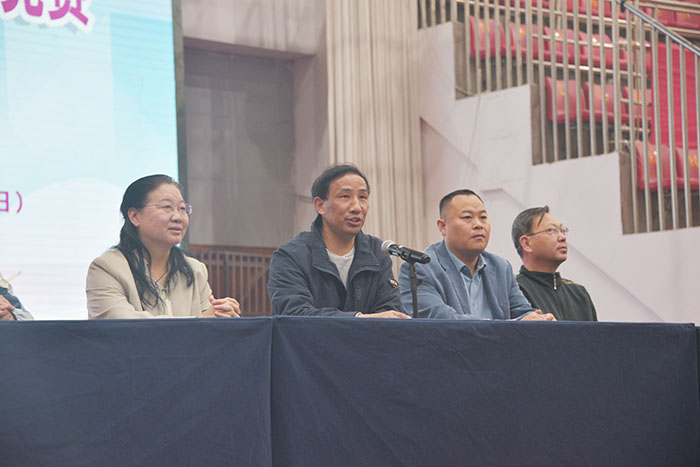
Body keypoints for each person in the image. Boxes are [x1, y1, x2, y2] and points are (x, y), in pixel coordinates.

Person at [86, 174, 241, 319]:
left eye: (182, 208)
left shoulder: (194, 270)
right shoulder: (106, 269)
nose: (178, 217)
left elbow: (209, 326)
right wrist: (201, 322)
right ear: (134, 216)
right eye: (167, 207)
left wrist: (222, 316)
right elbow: (125, 327)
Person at [267, 164, 408, 318]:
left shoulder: (377, 252)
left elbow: (390, 310)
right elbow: (295, 314)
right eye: (345, 196)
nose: (357, 207)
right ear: (320, 205)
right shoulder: (291, 256)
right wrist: (359, 319)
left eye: (362, 197)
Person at [398, 189, 555, 321]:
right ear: (443, 226)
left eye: (483, 217)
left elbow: (522, 312)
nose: (478, 225)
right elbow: (441, 321)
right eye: (467, 217)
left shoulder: (501, 267)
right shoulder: (421, 268)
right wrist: (510, 325)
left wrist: (538, 319)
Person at [511, 206, 597, 321]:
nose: (562, 237)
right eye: (552, 231)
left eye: (563, 231)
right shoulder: (515, 291)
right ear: (526, 243)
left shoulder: (579, 293)